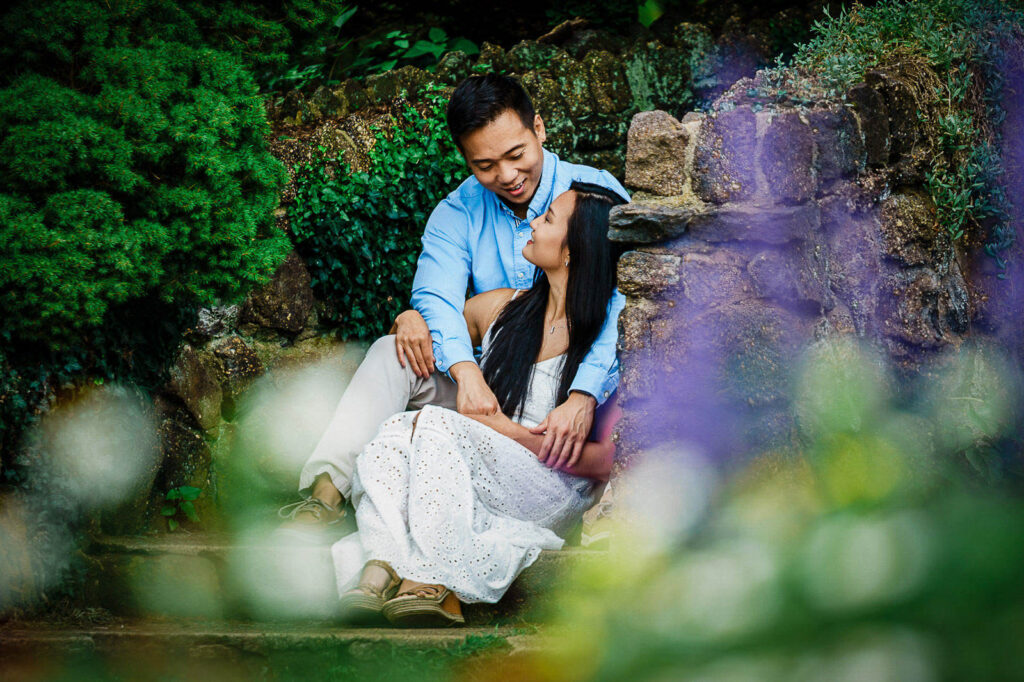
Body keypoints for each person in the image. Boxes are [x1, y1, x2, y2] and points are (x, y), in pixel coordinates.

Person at [278, 74, 628, 531]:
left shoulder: (593, 195)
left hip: (565, 392)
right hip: (489, 384)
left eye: (516, 154)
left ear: (538, 129)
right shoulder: (456, 212)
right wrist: (463, 372)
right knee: (393, 353)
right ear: (465, 158)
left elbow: (625, 299)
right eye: (485, 164)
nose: (506, 175)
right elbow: (436, 298)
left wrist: (584, 393)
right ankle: (324, 499)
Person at [336, 182, 625, 626]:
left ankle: (430, 576)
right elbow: (438, 326)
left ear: (573, 252)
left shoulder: (608, 343)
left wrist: (505, 430)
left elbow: (606, 462)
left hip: (550, 488)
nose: (531, 222)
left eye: (547, 220)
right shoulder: (505, 309)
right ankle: (383, 564)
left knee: (435, 423)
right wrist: (412, 316)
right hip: (476, 467)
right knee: (393, 433)